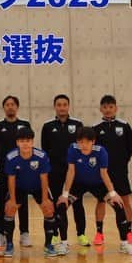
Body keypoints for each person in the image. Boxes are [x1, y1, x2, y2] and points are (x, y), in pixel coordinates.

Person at [55, 127, 132, 256]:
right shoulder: (73, 149)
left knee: (119, 206)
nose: (83, 145)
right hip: (78, 184)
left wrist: (113, 193)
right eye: (81, 142)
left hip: (98, 185)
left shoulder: (101, 151)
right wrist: (65, 194)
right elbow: (71, 171)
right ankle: (64, 243)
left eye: (87, 142)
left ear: (93, 141)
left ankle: (124, 244)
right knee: (61, 206)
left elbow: (104, 174)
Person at [0, 128, 59, 258]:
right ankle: (9, 244)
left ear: (32, 142)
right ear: (17, 143)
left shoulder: (41, 156)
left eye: (28, 141)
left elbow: (44, 178)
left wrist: (45, 199)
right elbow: (11, 180)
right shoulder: (11, 157)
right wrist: (12, 200)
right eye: (22, 141)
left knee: (49, 209)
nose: (25, 144)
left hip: (38, 187)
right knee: (9, 209)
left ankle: (48, 245)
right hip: (19, 187)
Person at [41, 94, 86, 252]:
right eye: (59, 105)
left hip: (74, 171)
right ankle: (56, 234)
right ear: (55, 107)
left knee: (77, 203)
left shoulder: (77, 124)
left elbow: (82, 147)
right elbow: (45, 149)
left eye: (64, 104)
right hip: (55, 172)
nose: (62, 107)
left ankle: (81, 234)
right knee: (58, 204)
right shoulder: (48, 126)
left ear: (68, 106)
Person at [93, 95, 132, 246]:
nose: (108, 110)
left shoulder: (124, 126)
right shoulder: (96, 128)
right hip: (102, 173)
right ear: (100, 109)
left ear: (116, 108)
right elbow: (93, 150)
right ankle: (99, 233)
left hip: (120, 171)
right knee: (101, 201)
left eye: (111, 107)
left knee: (125, 200)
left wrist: (122, 162)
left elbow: (130, 148)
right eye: (105, 107)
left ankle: (128, 232)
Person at [0, 95, 32, 247]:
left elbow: (28, 145)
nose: (10, 107)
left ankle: (24, 233)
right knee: (2, 200)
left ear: (17, 107)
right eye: (7, 104)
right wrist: (4, 159)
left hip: (22, 170)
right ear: (4, 107)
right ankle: (2, 233)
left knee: (22, 202)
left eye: (13, 104)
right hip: (3, 169)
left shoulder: (25, 125)